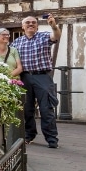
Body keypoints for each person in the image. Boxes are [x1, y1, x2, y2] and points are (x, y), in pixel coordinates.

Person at [11, 15, 59, 148]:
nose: (30, 24)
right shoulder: (16, 43)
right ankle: (28, 135)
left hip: (42, 76)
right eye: (27, 22)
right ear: (22, 26)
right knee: (26, 109)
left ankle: (51, 139)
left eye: (33, 22)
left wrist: (53, 25)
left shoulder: (44, 36)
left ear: (37, 26)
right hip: (24, 77)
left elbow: (56, 36)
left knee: (46, 108)